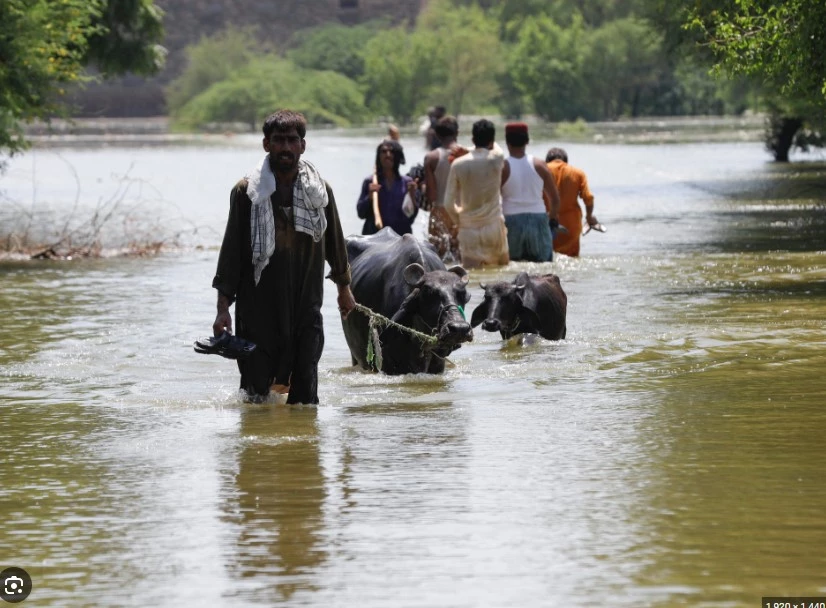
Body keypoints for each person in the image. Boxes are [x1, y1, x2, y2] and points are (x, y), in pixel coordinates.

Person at [211, 109, 356, 404]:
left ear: (303, 145)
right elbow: (231, 254)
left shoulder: (320, 193)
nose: (286, 148)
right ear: (266, 144)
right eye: (279, 141)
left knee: (306, 400)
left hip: (306, 308)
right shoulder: (247, 193)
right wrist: (222, 309)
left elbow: (335, 244)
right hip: (258, 310)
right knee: (256, 398)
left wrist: (344, 290)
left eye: (292, 140)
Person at [443, 119, 510, 268]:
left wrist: (459, 221)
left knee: (472, 278)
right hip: (494, 227)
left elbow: (448, 203)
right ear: (492, 140)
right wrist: (469, 150)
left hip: (468, 230)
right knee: (502, 274)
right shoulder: (496, 159)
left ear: (473, 139)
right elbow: (497, 148)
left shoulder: (458, 164)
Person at [500, 122, 561, 262]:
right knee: (543, 270)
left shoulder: (502, 167)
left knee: (513, 271)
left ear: (507, 141)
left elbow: (494, 200)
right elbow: (555, 200)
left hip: (511, 221)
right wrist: (550, 218)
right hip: (538, 220)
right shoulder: (540, 165)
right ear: (527, 141)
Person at [357, 139, 419, 236]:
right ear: (379, 156)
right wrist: (369, 197)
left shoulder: (407, 183)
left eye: (391, 152)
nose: (388, 155)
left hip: (400, 237)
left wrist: (412, 196)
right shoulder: (370, 182)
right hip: (375, 237)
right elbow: (360, 213)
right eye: (384, 152)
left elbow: (411, 216)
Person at [546, 147, 599, 257]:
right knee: (572, 261)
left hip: (547, 225)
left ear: (547, 160)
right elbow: (588, 198)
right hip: (571, 227)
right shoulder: (578, 173)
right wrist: (589, 217)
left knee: (544, 263)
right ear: (566, 161)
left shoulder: (542, 171)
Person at [422, 115, 461, 261]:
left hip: (440, 212)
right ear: (457, 132)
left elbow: (431, 196)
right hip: (462, 212)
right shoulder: (466, 155)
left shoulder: (431, 158)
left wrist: (421, 187)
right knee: (461, 259)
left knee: (439, 259)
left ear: (437, 135)